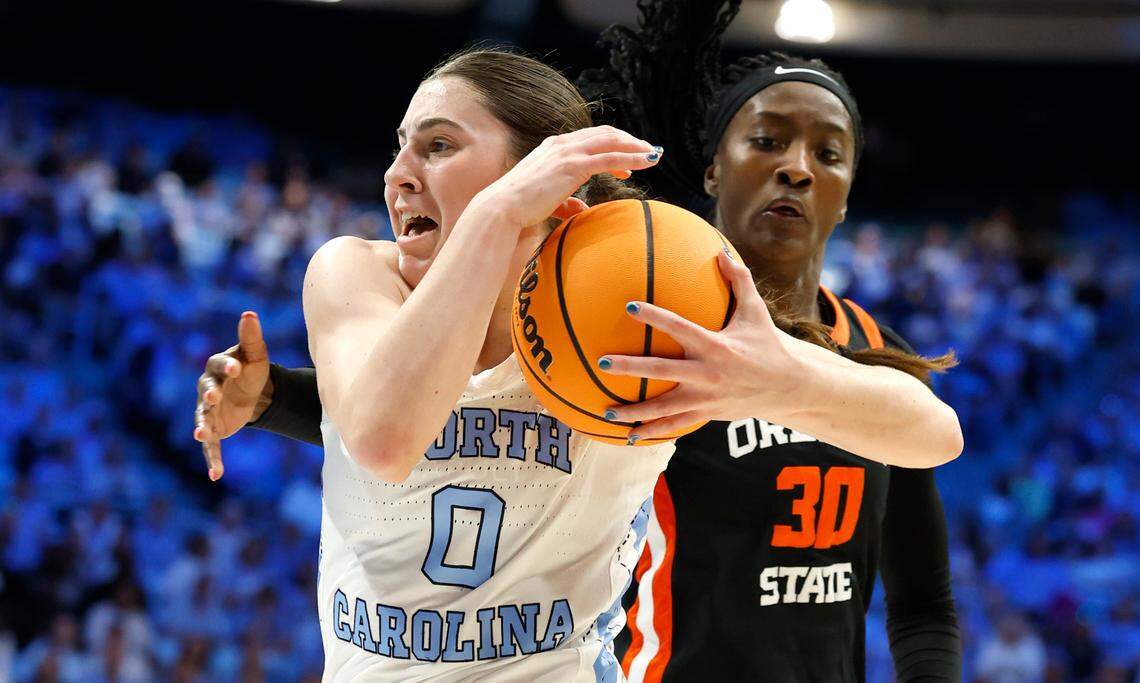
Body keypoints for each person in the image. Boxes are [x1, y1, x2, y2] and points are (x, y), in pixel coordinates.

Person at [193, 47, 962, 680]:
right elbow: (383, 434)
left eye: (437, 144)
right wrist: (495, 212)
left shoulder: (623, 307)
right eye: (399, 146)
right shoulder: (355, 271)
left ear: (545, 180)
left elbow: (935, 434)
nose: (397, 173)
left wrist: (776, 379)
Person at [577, 1, 962, 679]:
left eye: (829, 153)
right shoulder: (648, 331)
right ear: (712, 170)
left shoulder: (879, 351)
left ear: (843, 197)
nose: (798, 167)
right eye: (767, 140)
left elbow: (923, 605)